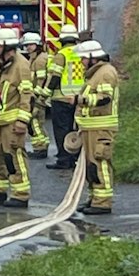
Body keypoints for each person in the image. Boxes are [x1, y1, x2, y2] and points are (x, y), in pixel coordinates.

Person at [76, 40, 121, 214]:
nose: (81, 62)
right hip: (91, 127)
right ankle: (94, 198)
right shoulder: (95, 74)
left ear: (92, 57)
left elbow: (104, 98)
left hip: (101, 127)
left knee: (100, 163)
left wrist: (81, 100)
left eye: (83, 59)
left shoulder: (105, 73)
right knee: (92, 166)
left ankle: (103, 202)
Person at [0, 28, 32, 208]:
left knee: (13, 157)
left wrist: (22, 120)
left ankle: (21, 195)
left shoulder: (21, 66)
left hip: (13, 123)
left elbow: (27, 95)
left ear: (7, 47)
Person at [46, 24, 84, 169]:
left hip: (61, 98)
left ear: (61, 40)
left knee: (62, 129)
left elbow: (55, 77)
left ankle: (64, 159)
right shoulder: (81, 53)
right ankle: (76, 156)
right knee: (77, 129)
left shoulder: (61, 55)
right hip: (79, 98)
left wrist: (46, 93)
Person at [20, 32, 51, 157]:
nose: (28, 47)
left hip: (37, 97)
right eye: (26, 45)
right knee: (36, 123)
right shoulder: (35, 58)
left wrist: (37, 97)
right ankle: (41, 147)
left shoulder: (40, 60)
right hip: (36, 96)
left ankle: (40, 149)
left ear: (37, 45)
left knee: (35, 123)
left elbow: (41, 80)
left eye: (30, 45)